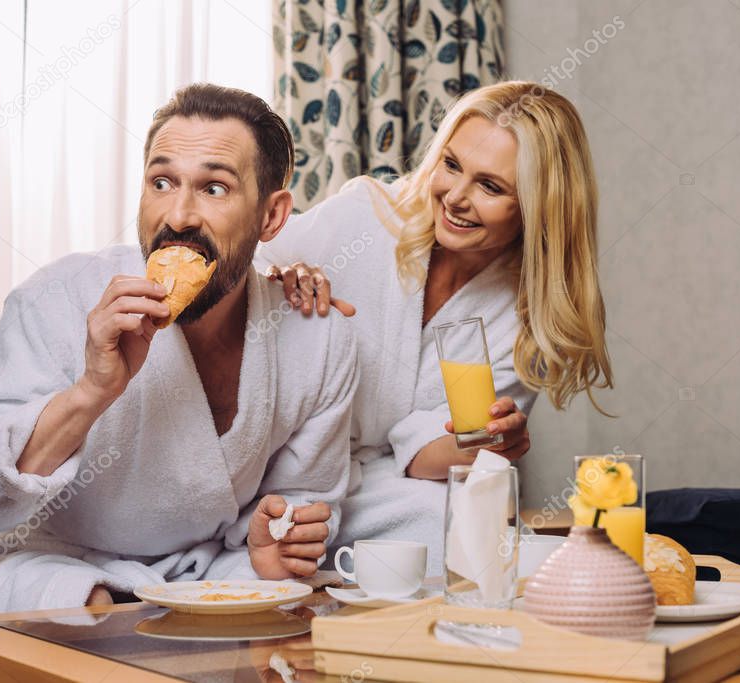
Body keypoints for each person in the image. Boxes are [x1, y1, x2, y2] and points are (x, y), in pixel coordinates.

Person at [0, 84, 358, 615]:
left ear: (271, 216)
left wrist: (272, 544)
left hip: (198, 574)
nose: (178, 216)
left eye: (214, 189)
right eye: (162, 182)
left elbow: (303, 496)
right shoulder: (57, 299)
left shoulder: (317, 337)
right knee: (84, 606)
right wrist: (91, 391)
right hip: (40, 562)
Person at [257, 81, 613, 573]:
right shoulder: (366, 217)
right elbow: (244, 270)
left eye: (490, 187)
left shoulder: (523, 319)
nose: (455, 197)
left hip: (373, 484)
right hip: (277, 457)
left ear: (538, 206)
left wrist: (482, 444)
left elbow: (426, 452)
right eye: (451, 165)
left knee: (457, 525)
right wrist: (277, 278)